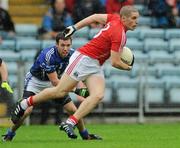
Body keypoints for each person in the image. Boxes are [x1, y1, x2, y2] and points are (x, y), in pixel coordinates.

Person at [11, 6, 139, 139]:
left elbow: (94, 17)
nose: (136, 21)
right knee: (59, 91)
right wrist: (128, 67)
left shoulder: (114, 19)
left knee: (97, 95)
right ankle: (24, 104)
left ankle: (70, 122)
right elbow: (115, 62)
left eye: (137, 18)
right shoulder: (120, 34)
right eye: (134, 18)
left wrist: (74, 27)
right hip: (84, 59)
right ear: (124, 18)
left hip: (95, 64)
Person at [2, 32, 101, 141]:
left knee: (73, 110)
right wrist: (77, 90)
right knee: (27, 111)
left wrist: (88, 85)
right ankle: (10, 134)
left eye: (68, 45)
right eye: (62, 45)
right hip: (36, 82)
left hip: (57, 82)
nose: (65, 49)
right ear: (56, 45)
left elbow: (80, 73)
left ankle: (85, 135)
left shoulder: (73, 55)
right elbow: (54, 82)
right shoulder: (48, 55)